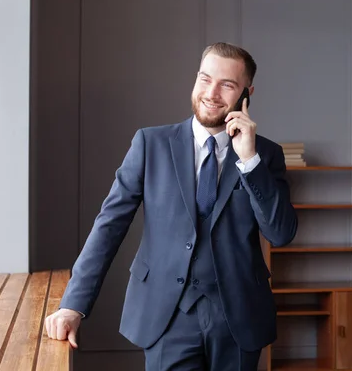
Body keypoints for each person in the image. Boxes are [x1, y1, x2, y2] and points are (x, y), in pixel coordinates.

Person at [45, 42, 298, 370]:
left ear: (247, 94)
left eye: (227, 85)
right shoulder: (151, 144)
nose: (212, 92)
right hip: (167, 316)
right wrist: (73, 306)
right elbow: (109, 225)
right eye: (205, 79)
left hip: (239, 316)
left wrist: (249, 160)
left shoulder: (266, 155)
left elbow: (280, 233)